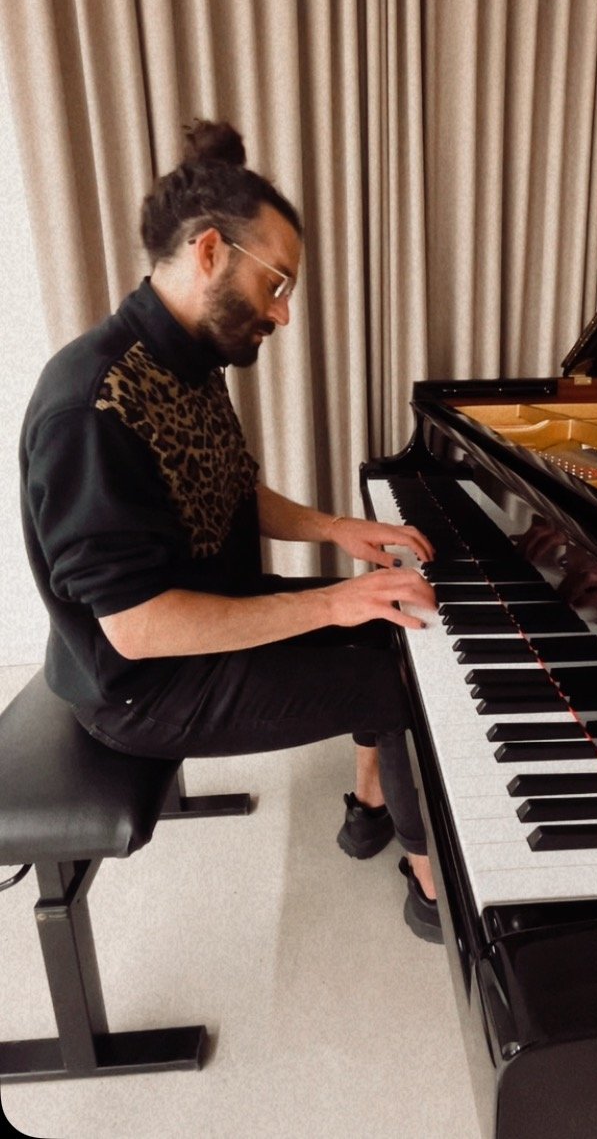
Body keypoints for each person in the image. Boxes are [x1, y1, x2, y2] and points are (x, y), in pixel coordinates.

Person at [19, 119, 442, 942]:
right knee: (396, 681)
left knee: (393, 624)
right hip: (141, 687)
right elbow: (139, 628)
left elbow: (228, 486)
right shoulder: (93, 405)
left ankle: (369, 807)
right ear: (210, 251)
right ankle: (432, 892)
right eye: (276, 284)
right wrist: (331, 604)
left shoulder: (185, 358)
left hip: (212, 617)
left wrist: (333, 528)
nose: (283, 313)